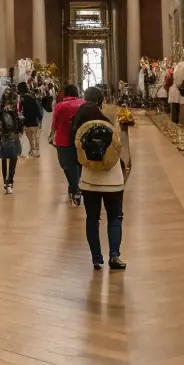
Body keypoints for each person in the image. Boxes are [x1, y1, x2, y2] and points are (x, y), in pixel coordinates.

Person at [71, 87, 128, 270]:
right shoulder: (107, 122)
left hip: (89, 179)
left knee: (92, 218)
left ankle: (96, 258)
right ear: (101, 101)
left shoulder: (79, 123)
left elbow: (77, 152)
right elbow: (120, 149)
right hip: (113, 179)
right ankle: (114, 256)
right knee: (115, 217)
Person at [52, 83, 85, 204]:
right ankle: (76, 188)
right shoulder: (83, 103)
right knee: (79, 163)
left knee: (67, 165)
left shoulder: (60, 106)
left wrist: (52, 133)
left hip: (63, 139)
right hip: (81, 138)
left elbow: (55, 124)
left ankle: (74, 188)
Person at [0, 93, 24, 192]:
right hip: (12, 139)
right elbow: (17, 128)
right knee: (13, 161)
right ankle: (10, 182)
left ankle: (6, 182)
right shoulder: (14, 114)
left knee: (4, 161)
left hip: (3, 140)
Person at [18, 81, 44, 157]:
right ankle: (34, 151)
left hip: (27, 121)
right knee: (35, 138)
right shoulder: (32, 96)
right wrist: (39, 119)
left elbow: (21, 110)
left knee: (30, 138)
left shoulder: (22, 99)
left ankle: (32, 150)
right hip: (34, 120)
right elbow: (38, 108)